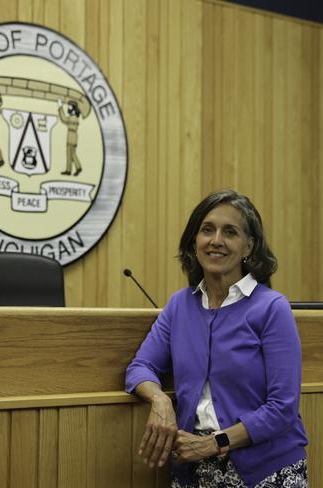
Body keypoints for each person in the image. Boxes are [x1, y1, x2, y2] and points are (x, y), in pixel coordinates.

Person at [125, 189, 309, 487]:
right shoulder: (179, 306)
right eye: (207, 230)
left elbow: (282, 408)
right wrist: (160, 401)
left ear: (249, 246)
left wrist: (215, 443)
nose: (216, 240)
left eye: (230, 232)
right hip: (193, 468)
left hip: (267, 470)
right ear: (194, 242)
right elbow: (140, 367)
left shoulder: (272, 308)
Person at [57, 98, 82, 176]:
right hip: (72, 137)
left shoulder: (73, 117)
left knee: (71, 154)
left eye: (70, 106)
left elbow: (64, 119)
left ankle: (77, 167)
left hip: (71, 137)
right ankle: (69, 170)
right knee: (70, 153)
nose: (68, 107)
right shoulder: (74, 117)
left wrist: (60, 107)